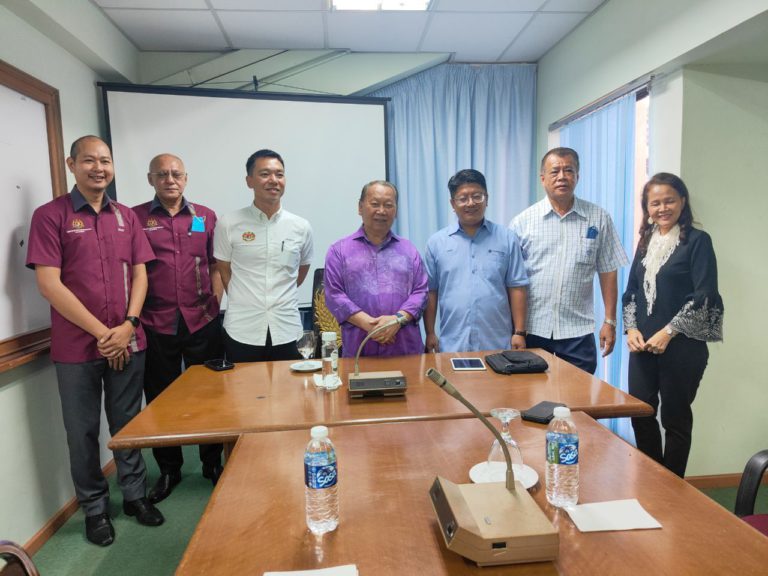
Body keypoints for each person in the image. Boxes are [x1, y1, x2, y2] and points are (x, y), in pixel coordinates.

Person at [25, 136, 164, 547]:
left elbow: (141, 274)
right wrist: (104, 334)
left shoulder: (126, 217)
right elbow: (49, 284)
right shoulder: (51, 216)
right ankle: (95, 509)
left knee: (128, 424)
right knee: (82, 431)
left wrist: (128, 325)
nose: (99, 168)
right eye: (89, 160)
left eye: (105, 160)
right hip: (78, 348)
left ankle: (135, 496)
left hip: (127, 338)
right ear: (72, 165)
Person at [133, 154, 224, 502]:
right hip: (156, 322)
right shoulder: (136, 218)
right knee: (161, 400)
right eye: (162, 174)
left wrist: (215, 301)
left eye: (176, 174)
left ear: (186, 178)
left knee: (211, 398)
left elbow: (216, 264)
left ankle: (211, 462)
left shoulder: (205, 216)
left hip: (202, 321)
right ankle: (169, 469)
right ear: (150, 179)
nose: (170, 179)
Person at [622, 173, 723, 477]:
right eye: (655, 203)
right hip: (643, 347)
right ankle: (655, 478)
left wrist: (668, 332)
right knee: (640, 412)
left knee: (675, 419)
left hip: (683, 347)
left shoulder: (697, 241)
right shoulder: (645, 243)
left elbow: (705, 295)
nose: (662, 208)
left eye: (669, 200)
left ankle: (674, 485)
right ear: (647, 207)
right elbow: (632, 292)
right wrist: (631, 329)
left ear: (682, 202)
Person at [510, 147, 629, 374]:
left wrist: (610, 321)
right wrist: (517, 330)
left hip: (578, 331)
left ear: (577, 176)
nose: (562, 177)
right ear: (543, 178)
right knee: (532, 400)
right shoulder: (522, 222)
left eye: (569, 170)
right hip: (533, 328)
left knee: (577, 402)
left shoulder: (598, 217)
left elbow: (608, 271)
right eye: (555, 171)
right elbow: (512, 281)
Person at [214, 149, 313, 361]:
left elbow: (301, 270)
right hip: (243, 329)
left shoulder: (300, 226)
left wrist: (279, 293)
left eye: (279, 174)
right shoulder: (229, 223)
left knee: (290, 393)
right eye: (265, 174)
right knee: (243, 393)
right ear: (249, 181)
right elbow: (224, 272)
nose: (273, 180)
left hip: (287, 328)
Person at [424, 169, 528, 353]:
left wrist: (519, 332)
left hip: (498, 342)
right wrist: (430, 332)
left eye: (477, 196)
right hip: (452, 344)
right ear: (452, 204)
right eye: (463, 198)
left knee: (499, 383)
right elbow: (431, 292)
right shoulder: (436, 243)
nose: (470, 203)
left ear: (486, 198)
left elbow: (517, 286)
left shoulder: (507, 238)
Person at [324, 180, 428, 357]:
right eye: (375, 204)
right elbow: (334, 295)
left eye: (388, 205)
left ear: (395, 211)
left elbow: (421, 292)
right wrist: (370, 325)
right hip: (360, 349)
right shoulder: (338, 251)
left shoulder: (409, 250)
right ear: (360, 207)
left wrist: (397, 320)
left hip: (405, 349)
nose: (381, 211)